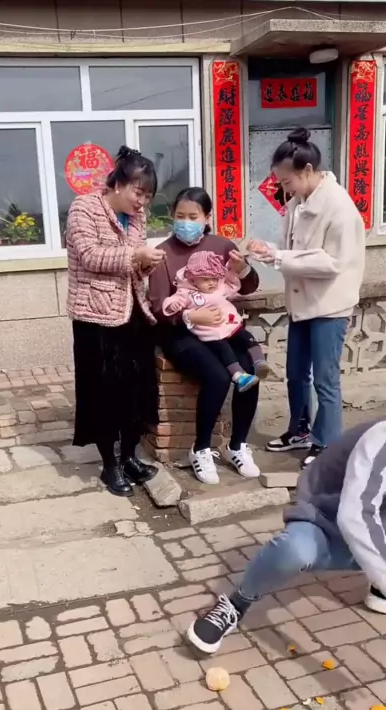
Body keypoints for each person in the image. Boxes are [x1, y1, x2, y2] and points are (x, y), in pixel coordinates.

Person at [188, 418, 386, 655]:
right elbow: (355, 515)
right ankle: (236, 604)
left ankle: (379, 585)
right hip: (324, 516)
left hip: (371, 522)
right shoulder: (381, 438)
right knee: (294, 551)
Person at [248, 127, 365, 469]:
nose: (285, 188)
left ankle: (327, 443)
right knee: (296, 373)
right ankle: (299, 430)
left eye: (287, 181)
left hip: (330, 305)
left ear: (308, 170)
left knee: (326, 379)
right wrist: (269, 251)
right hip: (301, 303)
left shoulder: (339, 207)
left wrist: (279, 257)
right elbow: (293, 251)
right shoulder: (298, 204)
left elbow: (332, 263)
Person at [66, 146, 165, 498]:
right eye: (139, 193)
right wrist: (134, 255)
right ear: (119, 183)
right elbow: (89, 255)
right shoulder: (84, 207)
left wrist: (146, 264)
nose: (142, 202)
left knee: (136, 389)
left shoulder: (136, 218)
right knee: (104, 392)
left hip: (133, 312)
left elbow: (133, 265)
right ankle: (110, 465)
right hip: (96, 317)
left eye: (148, 196)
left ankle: (130, 457)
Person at [149, 187, 261, 485]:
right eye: (180, 216)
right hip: (180, 333)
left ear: (207, 217)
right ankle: (200, 449)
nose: (185, 222)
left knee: (249, 370)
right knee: (217, 376)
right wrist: (189, 317)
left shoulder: (222, 246)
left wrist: (243, 268)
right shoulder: (162, 253)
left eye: (193, 216)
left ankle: (237, 445)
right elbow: (158, 307)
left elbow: (248, 286)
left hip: (220, 329)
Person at [162, 250, 269, 394]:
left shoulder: (219, 287)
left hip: (230, 325)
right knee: (225, 351)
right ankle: (239, 376)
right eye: (206, 279)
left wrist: (231, 270)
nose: (212, 282)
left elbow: (233, 285)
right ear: (193, 280)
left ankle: (259, 362)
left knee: (247, 338)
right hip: (211, 333)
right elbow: (172, 300)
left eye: (214, 278)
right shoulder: (186, 293)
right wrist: (173, 305)